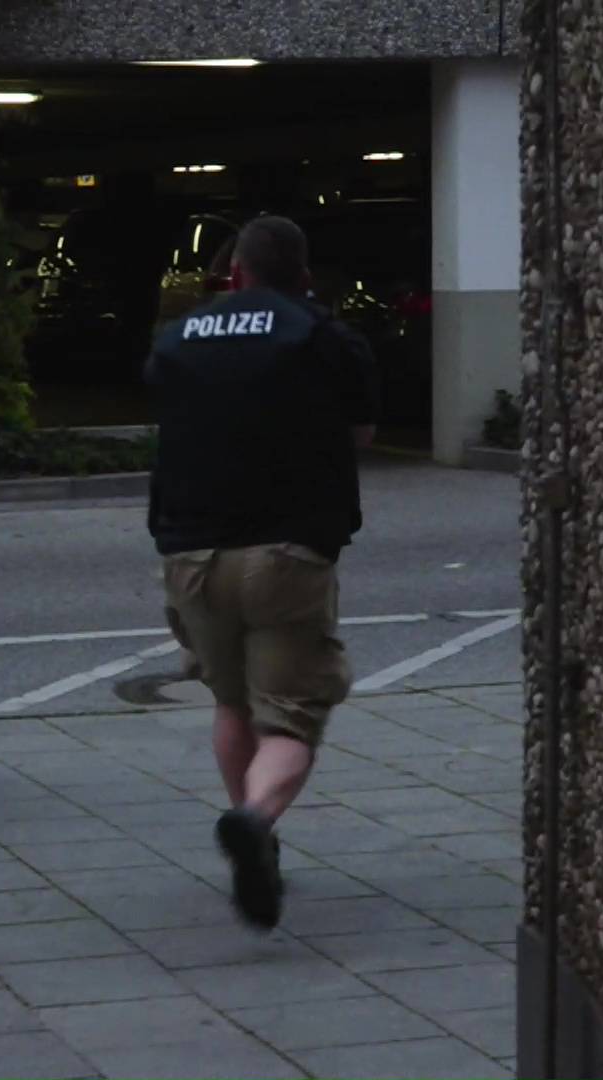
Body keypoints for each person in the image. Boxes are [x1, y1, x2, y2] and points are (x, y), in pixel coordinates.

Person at [145, 215, 378, 928]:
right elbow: (361, 434)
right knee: (291, 718)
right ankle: (254, 816)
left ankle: (259, 841)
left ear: (236, 273)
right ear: (302, 276)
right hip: (287, 553)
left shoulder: (179, 336)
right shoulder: (323, 335)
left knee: (229, 700)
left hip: (191, 554)